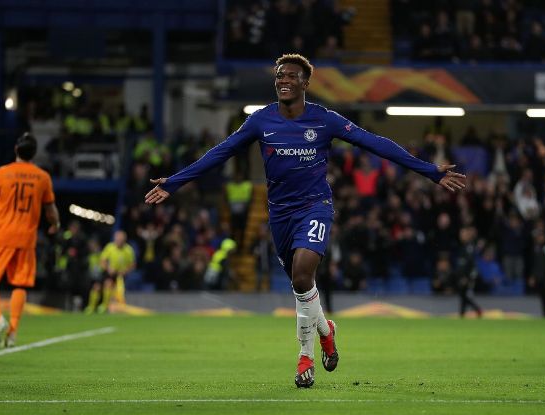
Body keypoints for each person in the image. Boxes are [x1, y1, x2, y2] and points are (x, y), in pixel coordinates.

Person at [145, 53, 467, 388]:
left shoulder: (324, 120)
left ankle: (305, 357)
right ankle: (326, 332)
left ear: (305, 83)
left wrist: (429, 171)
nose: (283, 80)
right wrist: (175, 182)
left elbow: (375, 143)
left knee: (302, 275)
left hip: (315, 208)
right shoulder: (260, 121)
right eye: (279, 75)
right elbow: (220, 152)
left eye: (291, 76)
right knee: (303, 288)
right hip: (280, 215)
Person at [0, 133, 60, 347]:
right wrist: (55, 224)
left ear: (16, 150)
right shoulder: (42, 177)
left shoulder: (2, 173)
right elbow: (50, 209)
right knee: (20, 285)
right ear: (34, 154)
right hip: (26, 238)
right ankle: (12, 333)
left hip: (2, 235)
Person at [85, 230, 136, 314]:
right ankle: (91, 307)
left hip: (121, 274)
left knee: (108, 284)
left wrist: (125, 271)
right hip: (108, 271)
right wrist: (108, 268)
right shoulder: (110, 247)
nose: (119, 241)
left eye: (121, 239)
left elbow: (132, 264)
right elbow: (102, 260)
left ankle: (105, 306)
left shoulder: (128, 250)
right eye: (117, 239)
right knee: (96, 286)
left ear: (124, 240)